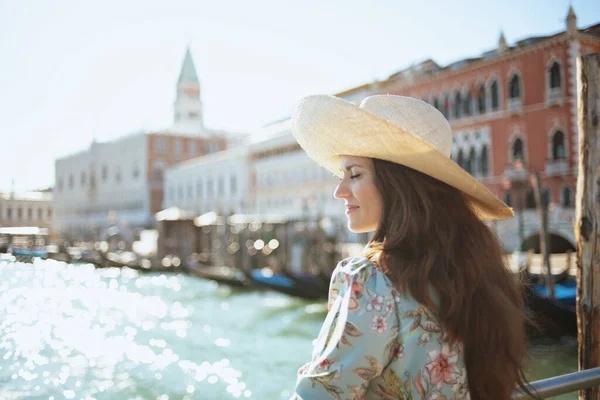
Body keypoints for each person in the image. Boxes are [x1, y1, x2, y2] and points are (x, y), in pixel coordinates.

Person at [289, 95, 535, 399]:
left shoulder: (370, 281)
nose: (340, 190)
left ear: (397, 184)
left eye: (354, 174)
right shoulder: (476, 272)